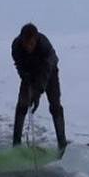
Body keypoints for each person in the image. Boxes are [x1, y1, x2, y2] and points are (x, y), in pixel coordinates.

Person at [11, 23, 67, 151]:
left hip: (49, 72)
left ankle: (62, 143)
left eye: (31, 44)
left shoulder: (44, 46)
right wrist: (25, 77)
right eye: (26, 43)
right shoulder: (16, 46)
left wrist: (37, 94)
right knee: (22, 104)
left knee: (55, 105)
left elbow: (46, 72)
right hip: (29, 73)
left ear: (36, 40)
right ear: (21, 39)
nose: (28, 47)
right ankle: (16, 144)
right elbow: (19, 65)